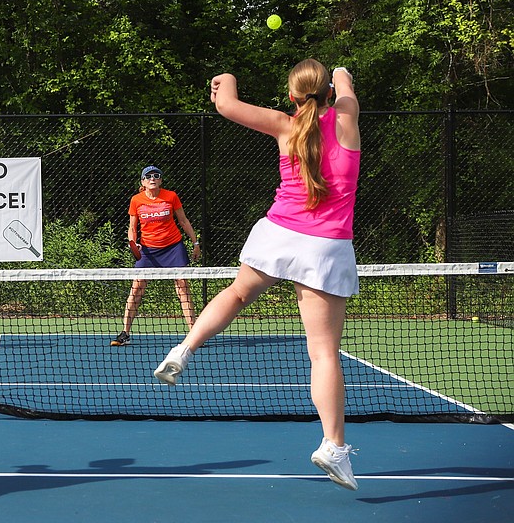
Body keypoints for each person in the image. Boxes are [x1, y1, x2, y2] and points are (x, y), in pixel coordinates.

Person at [154, 60, 361, 490]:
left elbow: (226, 104)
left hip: (279, 233)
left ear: (291, 96)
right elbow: (344, 85)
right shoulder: (347, 118)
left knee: (237, 293)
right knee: (323, 353)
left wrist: (224, 78)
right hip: (326, 247)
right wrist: (340, 71)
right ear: (329, 93)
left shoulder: (285, 125)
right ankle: (333, 446)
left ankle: (186, 346)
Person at [110, 165, 201, 346]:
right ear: (143, 182)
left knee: (182, 287)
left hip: (173, 247)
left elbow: (183, 220)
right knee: (136, 288)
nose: (152, 178)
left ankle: (194, 334)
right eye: (148, 176)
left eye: (156, 176)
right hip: (148, 250)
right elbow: (132, 227)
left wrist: (195, 242)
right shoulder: (136, 200)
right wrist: (133, 242)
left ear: (160, 180)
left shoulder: (171, 196)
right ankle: (125, 333)